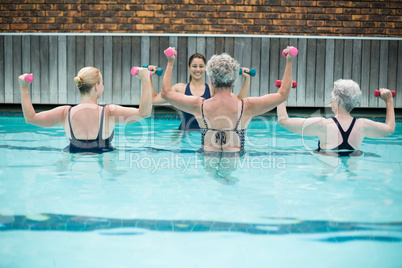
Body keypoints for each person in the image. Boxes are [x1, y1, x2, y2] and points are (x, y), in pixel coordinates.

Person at [161, 47, 296, 157]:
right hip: (235, 156)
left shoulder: (200, 106)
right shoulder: (246, 106)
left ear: (212, 80)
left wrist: (170, 61)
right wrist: (289, 60)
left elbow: (166, 93)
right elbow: (283, 95)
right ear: (233, 80)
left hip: (207, 156)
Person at [18, 66, 152, 153]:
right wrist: (145, 78)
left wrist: (24, 87)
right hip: (104, 166)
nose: (103, 87)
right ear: (96, 86)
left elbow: (30, 118)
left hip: (73, 165)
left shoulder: (65, 113)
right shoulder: (109, 112)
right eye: (102, 83)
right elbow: (144, 113)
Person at [276, 79, 395, 156]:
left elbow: (283, 121)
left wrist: (282, 91)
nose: (330, 100)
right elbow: (390, 128)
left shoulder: (323, 125)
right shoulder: (362, 126)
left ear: (336, 101)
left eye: (332, 98)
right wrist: (389, 101)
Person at [148, 52, 251, 131]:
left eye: (201, 66)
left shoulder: (212, 89)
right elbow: (153, 99)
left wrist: (247, 79)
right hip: (184, 133)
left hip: (204, 135)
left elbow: (239, 99)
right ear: (189, 68)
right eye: (194, 66)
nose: (198, 69)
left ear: (206, 68)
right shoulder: (180, 89)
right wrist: (149, 77)